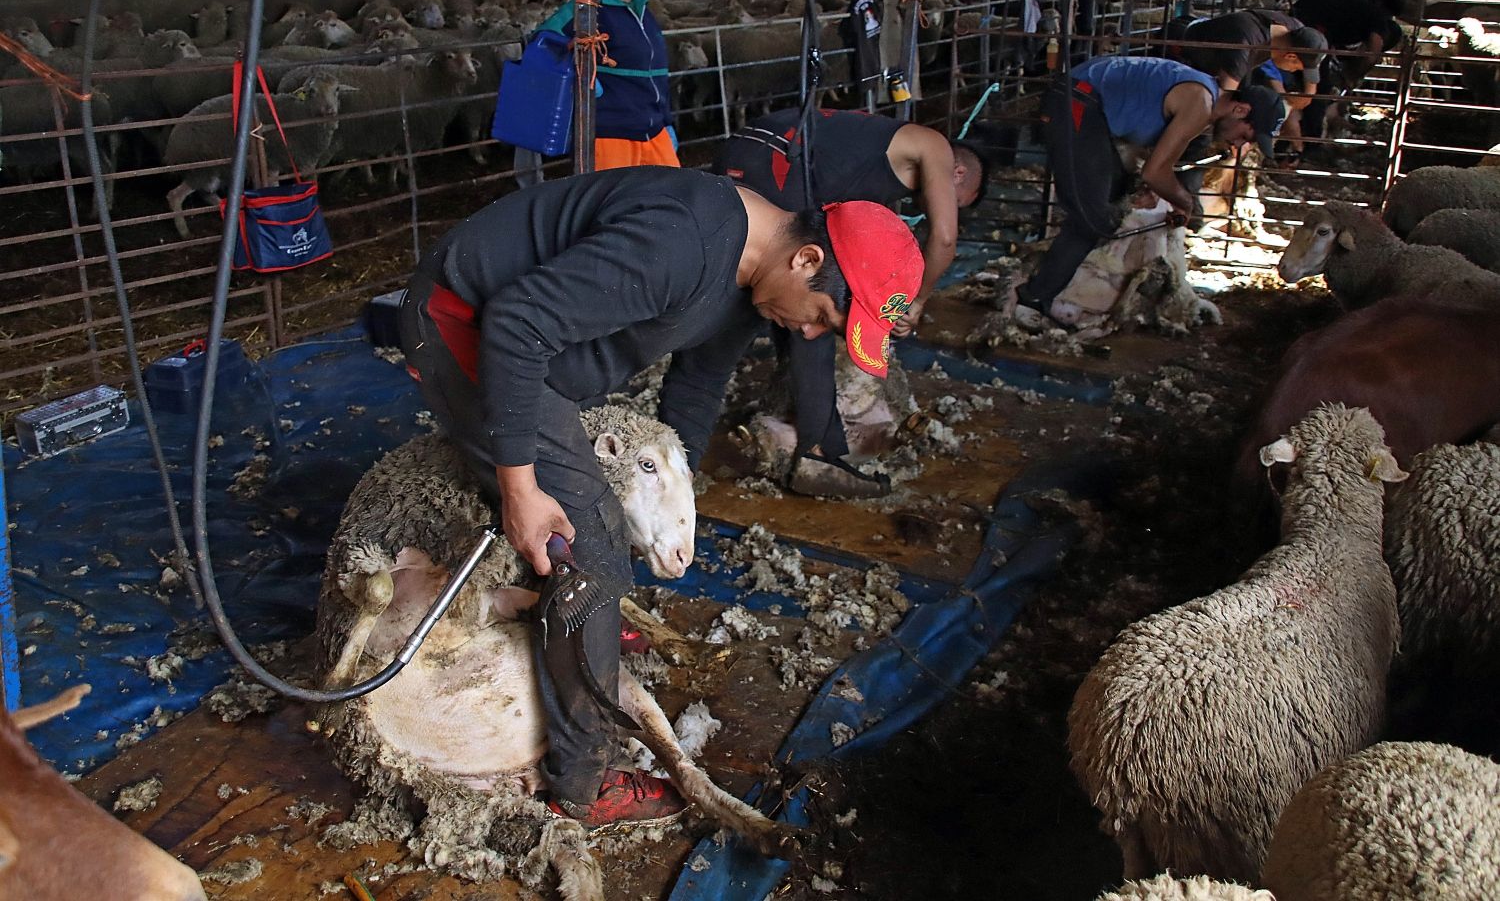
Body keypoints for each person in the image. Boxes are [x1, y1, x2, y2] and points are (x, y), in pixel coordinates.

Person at [399, 166, 922, 826]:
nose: (810, 333)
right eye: (823, 316)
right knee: (585, 536)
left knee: (602, 520)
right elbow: (518, 322)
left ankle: (577, 627)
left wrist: (677, 502)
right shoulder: (685, 242)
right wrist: (520, 486)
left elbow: (697, 387)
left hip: (535, 342)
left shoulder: (752, 283)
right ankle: (581, 785)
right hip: (464, 319)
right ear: (807, 258)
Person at [711, 107, 988, 497]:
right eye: (961, 200)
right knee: (817, 318)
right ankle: (818, 452)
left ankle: (813, 435)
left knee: (786, 306)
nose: (950, 205)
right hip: (776, 158)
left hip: (747, 149)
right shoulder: (935, 146)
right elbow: (944, 238)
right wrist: (917, 301)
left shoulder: (870, 153)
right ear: (959, 174)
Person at [1012, 56, 1285, 328]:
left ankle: (1072, 287)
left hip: (1088, 105)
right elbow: (1155, 173)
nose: (1239, 144)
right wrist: (1185, 202)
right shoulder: (1200, 104)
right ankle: (1031, 301)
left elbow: (1154, 167)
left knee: (1118, 195)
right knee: (1091, 220)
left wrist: (1154, 189)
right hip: (1078, 99)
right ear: (1240, 110)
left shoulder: (1204, 100)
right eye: (1246, 136)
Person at [538, 0, 679, 169]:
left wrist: (666, 119)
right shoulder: (590, 7)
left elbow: (654, 70)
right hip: (612, 134)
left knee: (669, 199)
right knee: (614, 204)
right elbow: (543, 40)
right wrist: (575, 63)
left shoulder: (642, 9)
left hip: (653, 131)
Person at [1290, 0, 1406, 148]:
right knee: (1319, 88)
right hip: (1312, 30)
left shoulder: (1357, 6)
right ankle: (1311, 143)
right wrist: (1352, 77)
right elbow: (1372, 55)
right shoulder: (1378, 19)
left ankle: (1295, 132)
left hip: (1298, 16)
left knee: (1301, 79)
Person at [1170, 9, 1328, 92]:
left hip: (1203, 34)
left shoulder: (1293, 29)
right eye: (1297, 68)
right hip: (1180, 49)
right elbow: (1225, 93)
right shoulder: (1245, 44)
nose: (1294, 71)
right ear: (1291, 56)